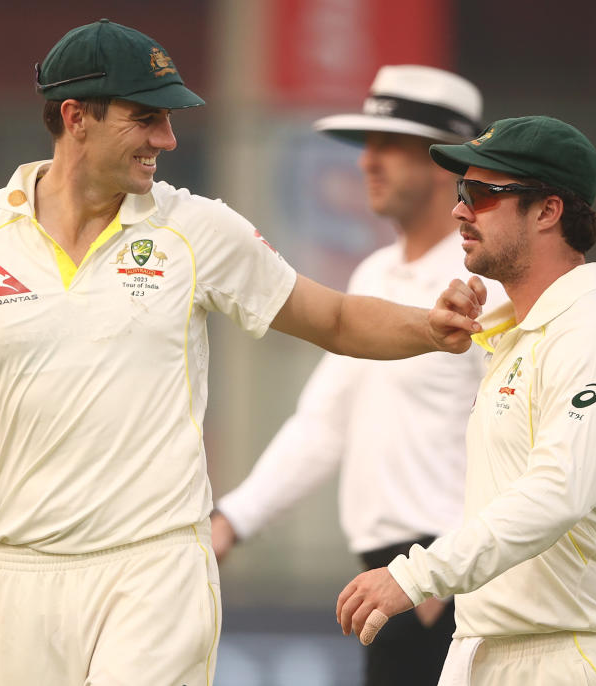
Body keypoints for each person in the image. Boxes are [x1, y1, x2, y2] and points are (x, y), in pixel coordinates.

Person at [0, 20, 484, 686]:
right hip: (24, 574)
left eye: (169, 120)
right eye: (146, 119)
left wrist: (430, 328)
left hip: (157, 570)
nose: (166, 141)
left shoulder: (197, 228)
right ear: (75, 117)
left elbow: (338, 318)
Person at [336, 115, 596, 685]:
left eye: (484, 194)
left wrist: (415, 576)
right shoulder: (516, 333)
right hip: (486, 650)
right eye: (462, 191)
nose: (459, 210)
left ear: (548, 211)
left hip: (577, 657)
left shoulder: (595, 332)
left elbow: (555, 493)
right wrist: (484, 323)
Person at [210, 65, 504, 686]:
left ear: (447, 162)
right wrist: (232, 520)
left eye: (393, 146)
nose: (369, 162)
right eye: (368, 145)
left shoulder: (490, 283)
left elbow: (526, 434)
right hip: (392, 583)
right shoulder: (373, 274)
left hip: (452, 584)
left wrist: (448, 572)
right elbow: (323, 423)